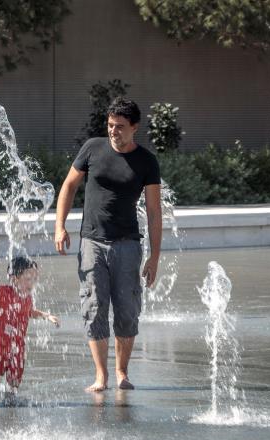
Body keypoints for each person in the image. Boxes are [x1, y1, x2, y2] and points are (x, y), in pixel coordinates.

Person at [54, 97, 162, 392]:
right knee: (94, 306)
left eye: (121, 127)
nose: (114, 131)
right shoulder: (92, 148)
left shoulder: (146, 161)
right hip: (92, 242)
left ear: (134, 128)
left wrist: (154, 257)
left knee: (127, 310)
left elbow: (154, 212)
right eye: (111, 125)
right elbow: (69, 185)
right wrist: (60, 225)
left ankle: (122, 373)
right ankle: (101, 375)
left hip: (127, 245)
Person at [0, 256, 60, 402]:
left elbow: (30, 312)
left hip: (18, 342)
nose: (32, 284)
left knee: (17, 371)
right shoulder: (3, 292)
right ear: (15, 279)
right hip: (0, 341)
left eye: (34, 279)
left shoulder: (27, 298)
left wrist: (46, 316)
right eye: (28, 279)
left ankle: (10, 396)